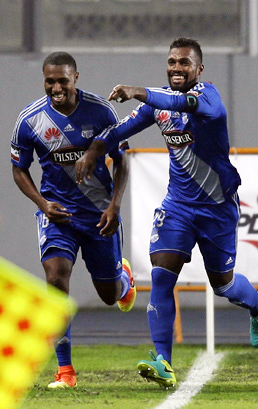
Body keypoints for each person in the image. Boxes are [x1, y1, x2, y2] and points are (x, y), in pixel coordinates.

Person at [75, 38, 258, 389]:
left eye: (184, 63)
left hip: (217, 207)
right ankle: (163, 360)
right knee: (162, 276)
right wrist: (95, 150)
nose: (176, 68)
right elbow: (119, 131)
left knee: (223, 285)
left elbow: (182, 102)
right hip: (178, 206)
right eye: (172, 62)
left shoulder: (207, 97)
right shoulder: (158, 104)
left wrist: (139, 91)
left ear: (199, 69)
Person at [11, 52, 136, 389]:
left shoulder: (101, 112)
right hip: (58, 215)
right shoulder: (29, 119)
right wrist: (42, 203)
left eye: (62, 81)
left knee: (109, 295)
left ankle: (123, 279)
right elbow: (18, 169)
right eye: (49, 81)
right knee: (55, 279)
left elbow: (122, 160)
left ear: (75, 77)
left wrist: (115, 206)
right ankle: (65, 371)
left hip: (99, 217)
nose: (56, 87)